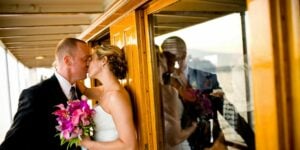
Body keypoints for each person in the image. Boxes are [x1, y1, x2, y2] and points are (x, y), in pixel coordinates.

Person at [0, 38, 92, 150]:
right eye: (85, 59)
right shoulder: (35, 95)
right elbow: (12, 144)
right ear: (67, 61)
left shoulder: (79, 92)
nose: (89, 64)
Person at [77, 45, 137, 150]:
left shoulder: (116, 97)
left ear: (103, 60)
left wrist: (88, 144)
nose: (87, 63)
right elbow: (84, 90)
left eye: (90, 59)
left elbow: (129, 145)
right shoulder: (103, 90)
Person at [158, 47, 197, 150]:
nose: (173, 66)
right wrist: (194, 127)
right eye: (170, 63)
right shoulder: (168, 92)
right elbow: (175, 139)